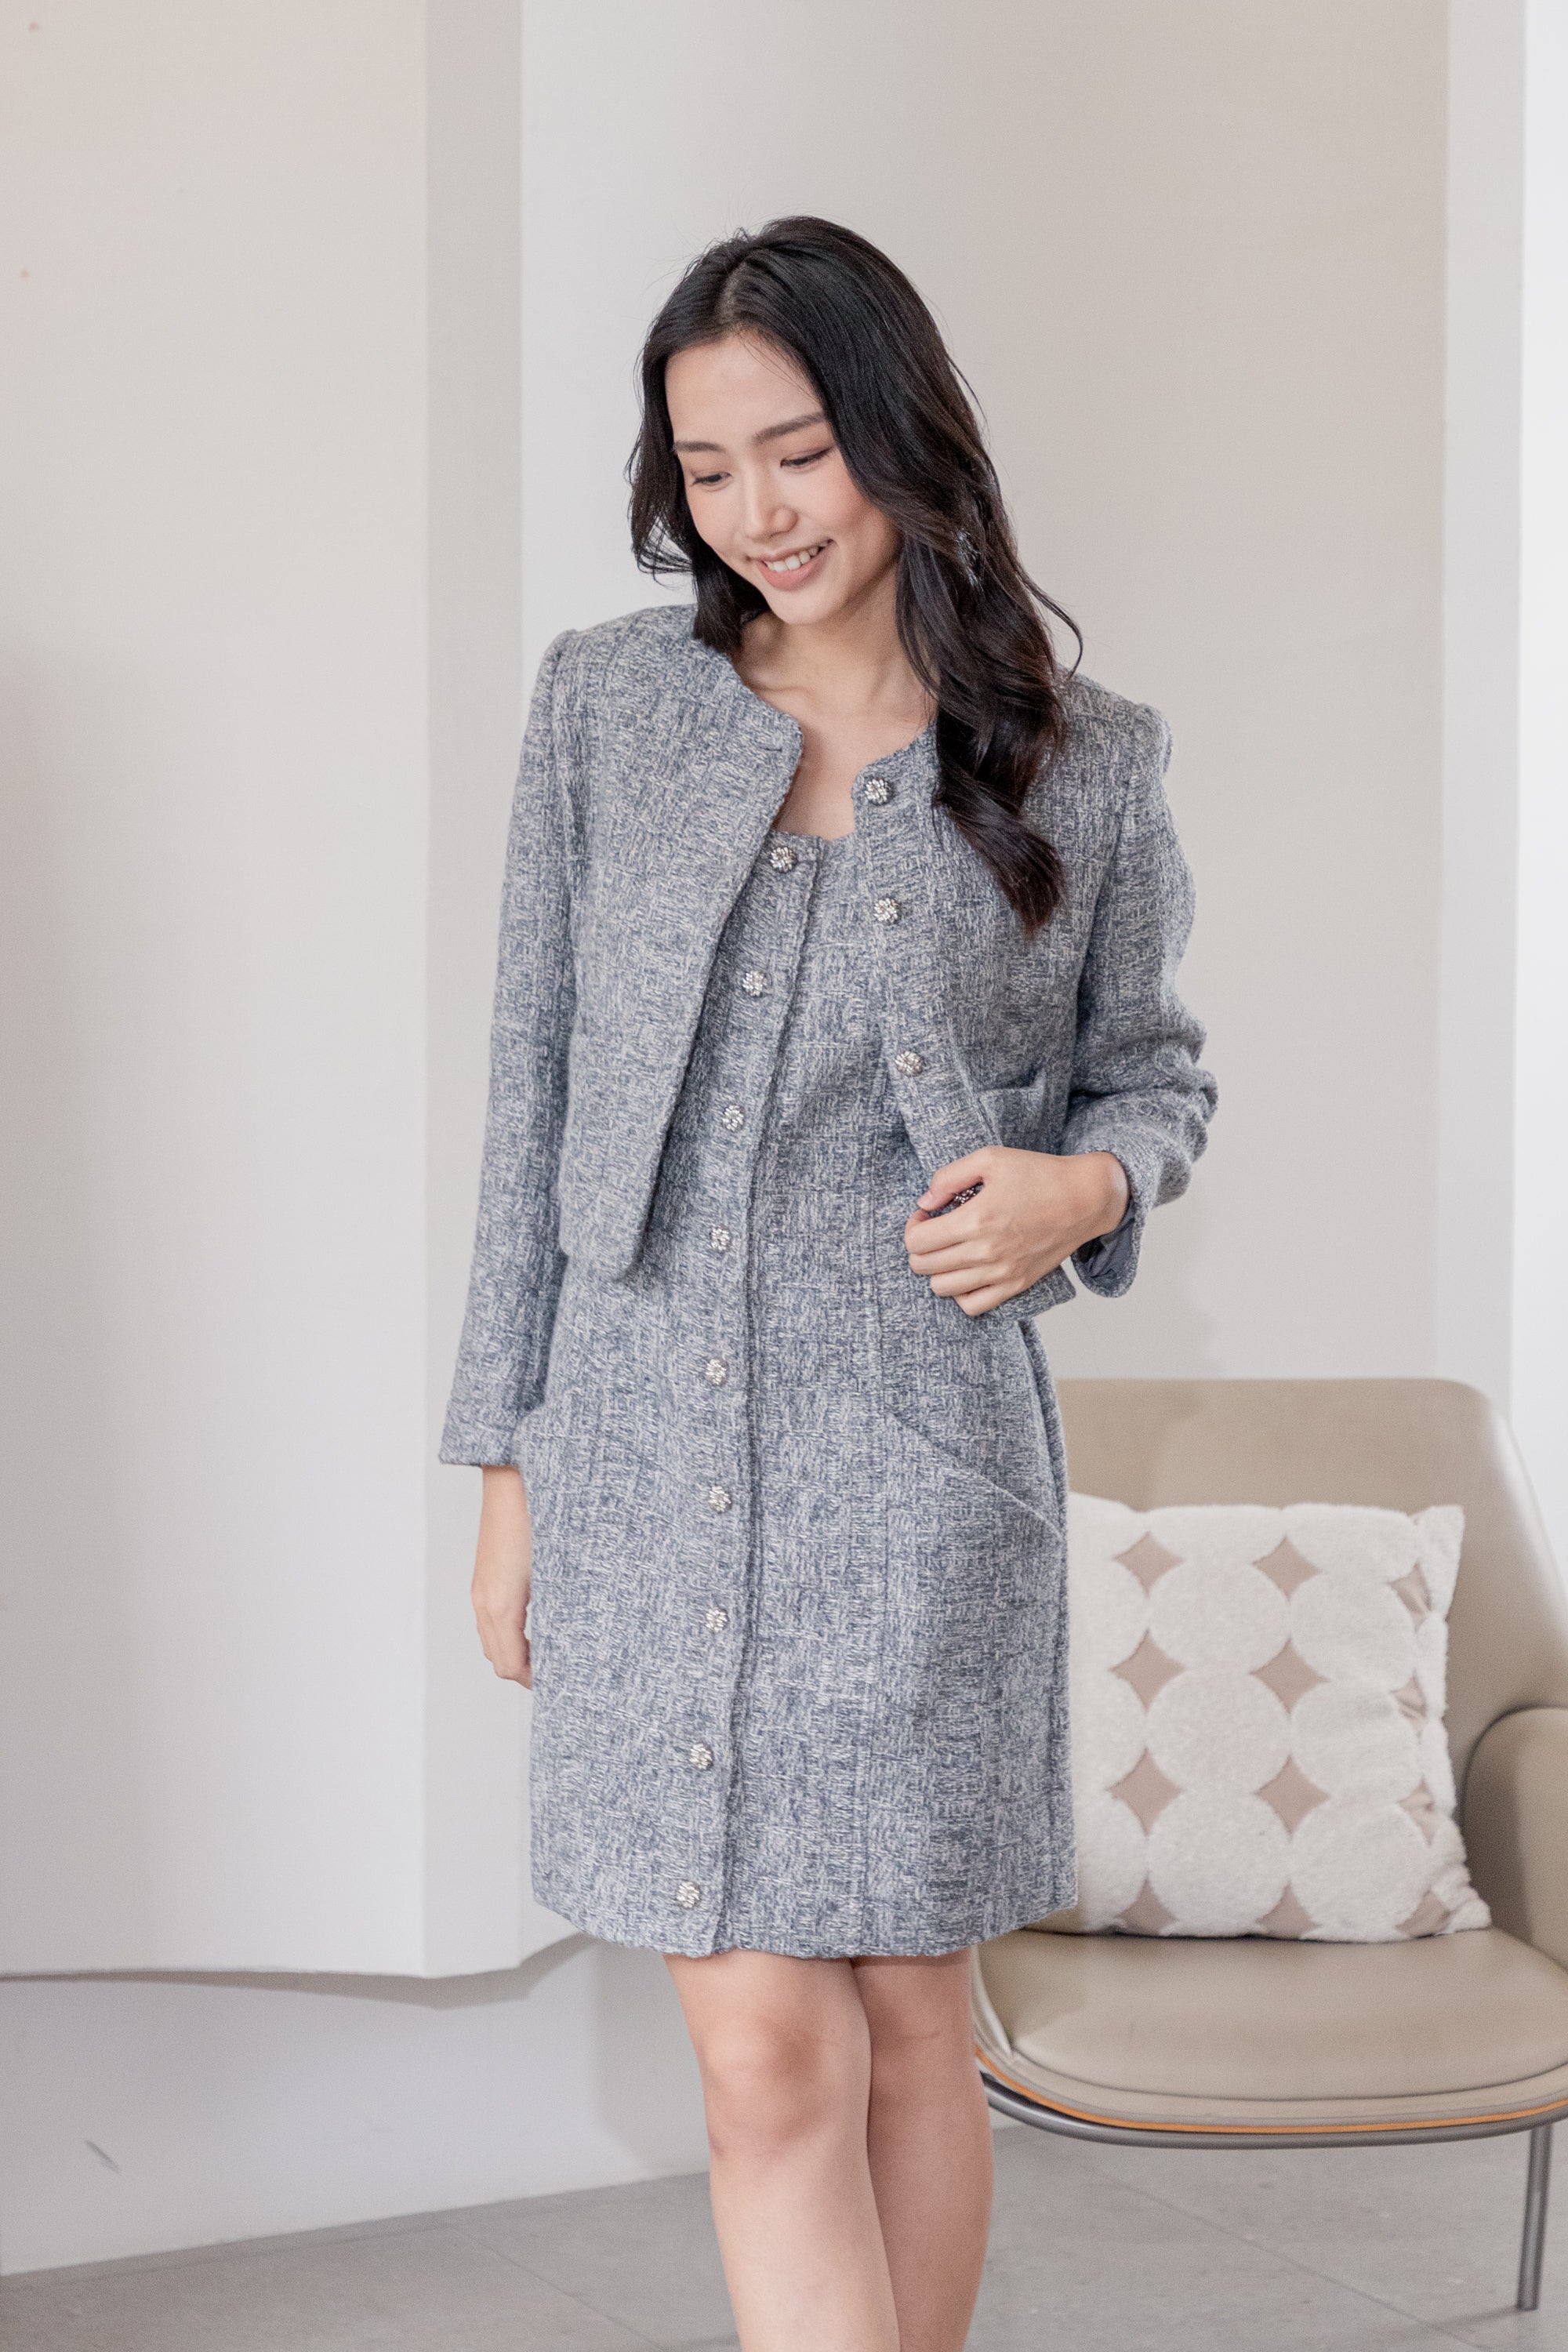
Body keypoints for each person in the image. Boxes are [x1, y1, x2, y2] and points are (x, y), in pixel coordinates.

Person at [441, 216, 1214, 2352]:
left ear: (900, 435)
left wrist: (1078, 1187)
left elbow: (1156, 1078)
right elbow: (528, 1100)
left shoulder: (1083, 759)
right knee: (763, 2054)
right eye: (708, 469)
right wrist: (507, 1467)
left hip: (919, 1456)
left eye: (799, 452)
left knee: (903, 2020)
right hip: (636, 1438)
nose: (760, 512)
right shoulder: (609, 708)